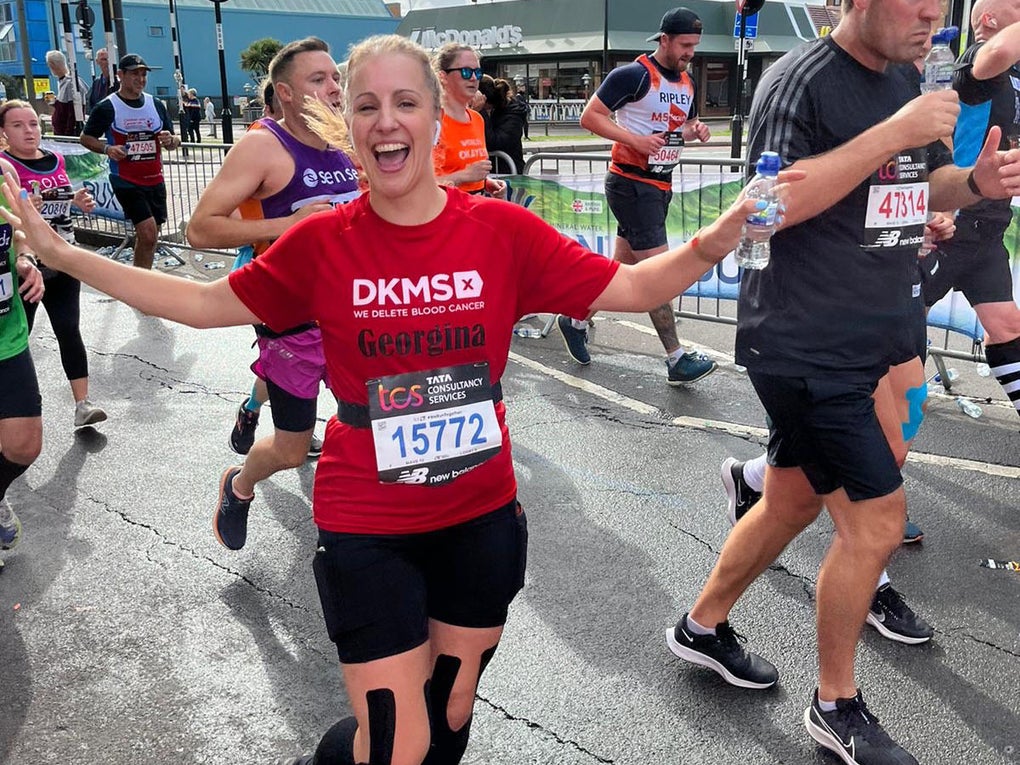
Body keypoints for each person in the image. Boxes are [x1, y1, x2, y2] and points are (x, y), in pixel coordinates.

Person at [0, 33, 799, 765]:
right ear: (349, 125)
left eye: (406, 101)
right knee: (396, 740)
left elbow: (634, 286)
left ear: (433, 116)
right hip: (367, 521)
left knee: (449, 718)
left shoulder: (501, 232)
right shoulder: (321, 241)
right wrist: (66, 252)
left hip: (481, 516)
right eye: (367, 105)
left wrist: (722, 230)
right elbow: (205, 303)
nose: (387, 120)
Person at [664, 0, 1020, 760]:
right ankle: (835, 705)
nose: (931, 16)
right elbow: (769, 205)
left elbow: (919, 185)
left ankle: (701, 626)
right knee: (877, 523)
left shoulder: (904, 80)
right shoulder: (801, 80)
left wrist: (972, 185)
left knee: (791, 500)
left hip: (877, 326)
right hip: (808, 341)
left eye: (939, 2)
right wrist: (893, 133)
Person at [186, 37, 359, 550]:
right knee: (291, 449)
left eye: (336, 77)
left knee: (371, 421)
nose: (334, 88)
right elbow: (200, 228)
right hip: (291, 318)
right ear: (285, 92)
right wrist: (289, 224)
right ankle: (239, 486)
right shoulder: (264, 146)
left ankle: (362, 528)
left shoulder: (343, 141)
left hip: (350, 312)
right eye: (318, 80)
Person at [567, 7, 715, 384]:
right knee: (658, 274)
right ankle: (676, 358)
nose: (690, 53)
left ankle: (575, 319)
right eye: (684, 45)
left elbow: (684, 125)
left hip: (660, 186)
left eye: (694, 46)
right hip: (631, 185)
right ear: (664, 39)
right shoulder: (632, 75)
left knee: (620, 269)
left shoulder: (687, 81)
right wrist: (636, 140)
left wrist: (697, 131)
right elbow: (590, 117)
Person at [921, 0, 1020, 419]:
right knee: (900, 324)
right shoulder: (978, 59)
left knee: (1008, 327)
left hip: (989, 227)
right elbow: (998, 52)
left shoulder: (1013, 73)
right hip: (953, 222)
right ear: (990, 20)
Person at [0, 101, 105, 429]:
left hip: (63, 256)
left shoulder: (55, 159)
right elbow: (13, 215)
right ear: (3, 132)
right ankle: (17, 406)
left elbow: (63, 198)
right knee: (20, 336)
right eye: (18, 125)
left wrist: (78, 200)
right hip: (27, 264)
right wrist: (24, 210)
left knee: (68, 329)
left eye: (33, 123)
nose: (29, 131)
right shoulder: (4, 167)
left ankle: (83, 404)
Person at [79, 54, 182, 270]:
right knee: (148, 233)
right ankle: (141, 282)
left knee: (150, 237)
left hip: (155, 179)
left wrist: (171, 140)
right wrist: (107, 149)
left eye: (143, 74)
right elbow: (86, 138)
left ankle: (139, 276)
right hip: (126, 180)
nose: (140, 79)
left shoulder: (156, 104)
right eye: (135, 74)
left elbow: (173, 141)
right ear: (120, 75)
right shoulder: (108, 106)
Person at [0, 154, 45, 569]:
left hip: (6, 336)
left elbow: (19, 232)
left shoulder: (4, 174)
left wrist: (25, 259)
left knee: (25, 444)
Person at [433, 42, 506, 198]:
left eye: (477, 72)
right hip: (445, 208)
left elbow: (470, 172)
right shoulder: (433, 123)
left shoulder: (477, 119)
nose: (473, 78)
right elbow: (422, 186)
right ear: (443, 76)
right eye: (466, 72)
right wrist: (465, 176)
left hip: (474, 206)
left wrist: (486, 182)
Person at [478, 77, 526, 175]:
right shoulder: (493, 110)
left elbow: (495, 143)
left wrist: (481, 111)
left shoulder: (513, 115)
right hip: (486, 171)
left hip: (507, 172)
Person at [45, 50, 87, 137]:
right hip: (62, 133)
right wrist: (55, 103)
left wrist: (68, 135)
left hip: (66, 134)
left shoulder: (71, 84)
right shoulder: (65, 82)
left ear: (52, 65)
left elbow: (73, 112)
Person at [87, 48, 117, 113]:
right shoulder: (96, 82)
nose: (107, 62)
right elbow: (91, 104)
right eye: (103, 59)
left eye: (109, 59)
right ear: (97, 61)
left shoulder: (118, 81)